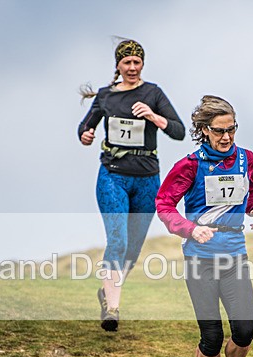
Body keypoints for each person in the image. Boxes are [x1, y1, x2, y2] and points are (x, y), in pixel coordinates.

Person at [156, 95, 253, 357]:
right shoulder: (190, 165)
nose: (227, 137)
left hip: (234, 256)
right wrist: (189, 229)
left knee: (245, 330)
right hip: (200, 259)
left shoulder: (246, 159)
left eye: (231, 129)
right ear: (204, 131)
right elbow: (164, 204)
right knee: (212, 336)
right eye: (219, 131)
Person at [78, 38, 185, 331]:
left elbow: (179, 131)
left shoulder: (153, 93)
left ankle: (106, 291)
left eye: (137, 62)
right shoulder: (106, 96)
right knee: (118, 240)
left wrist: (153, 116)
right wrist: (85, 135)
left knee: (132, 250)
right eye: (127, 62)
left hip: (148, 179)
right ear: (118, 65)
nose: (132, 67)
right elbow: (85, 126)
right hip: (113, 176)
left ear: (142, 64)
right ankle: (113, 309)